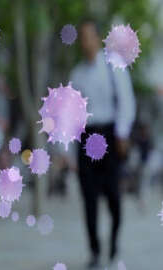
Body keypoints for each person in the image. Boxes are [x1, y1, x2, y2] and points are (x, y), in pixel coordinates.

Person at [70, 19, 136, 268]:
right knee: (88, 198)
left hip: (109, 136)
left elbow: (127, 102)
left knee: (113, 198)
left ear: (98, 39)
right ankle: (95, 251)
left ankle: (114, 244)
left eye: (89, 36)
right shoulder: (76, 74)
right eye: (81, 37)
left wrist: (121, 134)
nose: (85, 42)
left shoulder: (113, 67)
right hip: (86, 138)